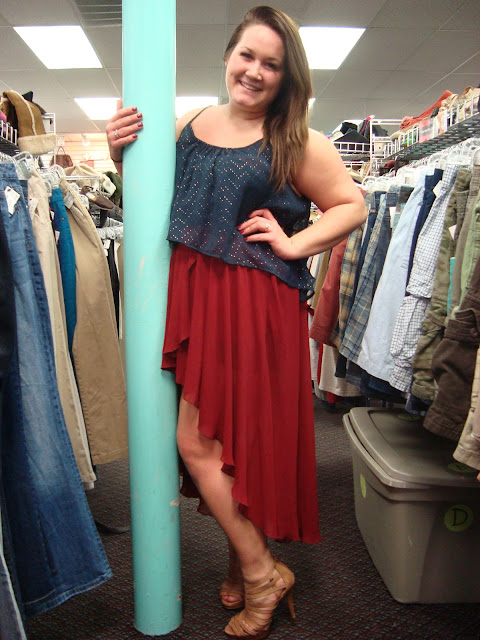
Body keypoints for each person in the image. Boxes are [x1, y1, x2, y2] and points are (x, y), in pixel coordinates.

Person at [106, 6, 366, 638]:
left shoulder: (296, 140)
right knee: (226, 441)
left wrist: (294, 242)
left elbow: (352, 204)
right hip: (198, 297)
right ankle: (243, 562)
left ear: (286, 76)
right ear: (228, 55)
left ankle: (261, 574)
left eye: (271, 64)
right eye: (247, 55)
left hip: (256, 304)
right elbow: (158, 198)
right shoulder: (188, 125)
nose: (254, 71)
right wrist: (119, 156)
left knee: (200, 442)